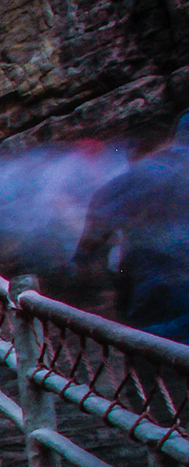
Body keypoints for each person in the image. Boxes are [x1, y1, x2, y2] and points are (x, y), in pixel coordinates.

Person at [74, 115, 189, 341]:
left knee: (156, 356)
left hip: (158, 292)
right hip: (166, 289)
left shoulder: (138, 176)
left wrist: (95, 277)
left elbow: (92, 239)